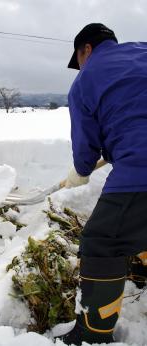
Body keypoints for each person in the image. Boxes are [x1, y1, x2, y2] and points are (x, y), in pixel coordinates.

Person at [57, 23, 147, 345]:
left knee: (102, 239)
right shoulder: (143, 51)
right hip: (137, 155)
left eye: (78, 60)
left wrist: (79, 172)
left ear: (87, 50)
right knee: (137, 218)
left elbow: (85, 152)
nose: (79, 67)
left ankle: (92, 333)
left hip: (141, 166)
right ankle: (142, 271)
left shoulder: (85, 81)